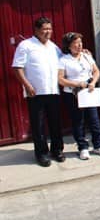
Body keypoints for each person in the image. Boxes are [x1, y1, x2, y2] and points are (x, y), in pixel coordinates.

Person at [12, 17, 64, 167]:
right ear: (36, 30)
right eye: (45, 29)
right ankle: (41, 154)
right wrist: (27, 85)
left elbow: (65, 61)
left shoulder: (54, 47)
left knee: (55, 123)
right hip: (35, 92)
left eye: (50, 29)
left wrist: (82, 53)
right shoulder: (26, 45)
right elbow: (17, 67)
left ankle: (57, 150)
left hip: (53, 90)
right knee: (38, 125)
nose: (48, 32)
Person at [58, 32, 100, 160]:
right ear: (69, 46)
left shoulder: (86, 56)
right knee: (78, 121)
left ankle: (98, 145)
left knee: (94, 119)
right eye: (75, 43)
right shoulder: (63, 60)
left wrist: (92, 82)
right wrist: (76, 83)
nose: (79, 45)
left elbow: (96, 71)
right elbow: (60, 79)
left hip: (88, 91)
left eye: (80, 42)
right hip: (73, 93)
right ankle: (83, 147)